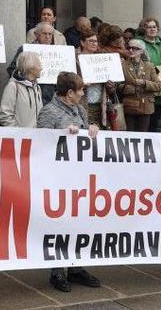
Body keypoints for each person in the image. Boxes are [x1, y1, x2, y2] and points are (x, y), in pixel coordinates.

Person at [36, 72, 102, 292]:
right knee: (59, 224)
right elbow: (41, 144)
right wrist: (62, 135)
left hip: (79, 178)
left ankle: (75, 267)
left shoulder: (80, 110)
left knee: (78, 222)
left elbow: (86, 137)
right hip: (58, 179)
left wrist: (91, 129)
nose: (83, 94)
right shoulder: (49, 112)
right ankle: (57, 271)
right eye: (80, 90)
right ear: (69, 93)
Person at [8, 21, 57, 104]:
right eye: (44, 33)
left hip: (50, 97)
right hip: (28, 94)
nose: (47, 37)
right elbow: (12, 69)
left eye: (50, 34)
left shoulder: (58, 52)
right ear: (36, 34)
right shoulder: (25, 49)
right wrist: (27, 78)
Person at [119, 39, 161, 132]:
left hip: (146, 106)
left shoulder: (149, 66)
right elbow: (117, 85)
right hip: (129, 105)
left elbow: (158, 86)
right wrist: (129, 89)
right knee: (130, 134)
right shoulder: (122, 65)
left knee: (143, 134)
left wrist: (144, 83)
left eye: (135, 48)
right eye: (129, 47)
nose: (130, 50)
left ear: (142, 51)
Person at [136, 17, 161, 131]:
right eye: (149, 27)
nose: (152, 29)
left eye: (154, 27)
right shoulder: (139, 44)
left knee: (157, 121)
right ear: (143, 29)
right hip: (146, 87)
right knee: (145, 122)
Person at [0, 51, 43, 127]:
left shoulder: (37, 88)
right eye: (39, 65)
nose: (41, 68)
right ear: (31, 69)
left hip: (35, 137)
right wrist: (19, 133)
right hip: (20, 137)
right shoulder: (13, 87)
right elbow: (5, 116)